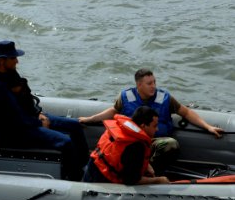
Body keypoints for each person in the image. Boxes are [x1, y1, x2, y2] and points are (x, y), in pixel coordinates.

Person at [79, 68, 224, 173]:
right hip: (133, 143)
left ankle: (150, 173)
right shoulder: (125, 97)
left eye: (154, 82)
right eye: (149, 83)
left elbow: (185, 112)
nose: (154, 86)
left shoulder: (165, 97)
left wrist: (208, 127)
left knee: (170, 145)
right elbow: (113, 111)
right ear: (139, 85)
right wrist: (90, 119)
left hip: (155, 141)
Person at [0, 40, 89, 181]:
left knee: (74, 125)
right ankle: (76, 178)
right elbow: (14, 118)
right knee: (66, 142)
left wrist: (38, 114)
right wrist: (38, 123)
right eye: (13, 58)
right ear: (1, 60)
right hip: (16, 131)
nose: (17, 61)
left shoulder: (11, 75)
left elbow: (26, 101)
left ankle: (84, 165)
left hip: (29, 119)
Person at [84, 106, 170, 185]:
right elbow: (131, 180)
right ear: (143, 126)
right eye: (154, 126)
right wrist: (158, 180)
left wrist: (147, 165)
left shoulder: (119, 128)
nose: (157, 129)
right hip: (101, 180)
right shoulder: (137, 147)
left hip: (92, 166)